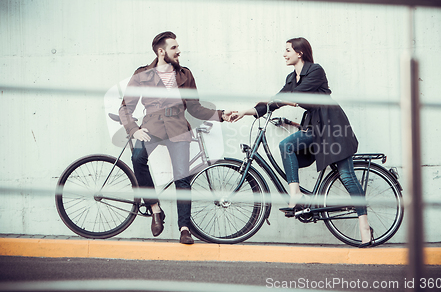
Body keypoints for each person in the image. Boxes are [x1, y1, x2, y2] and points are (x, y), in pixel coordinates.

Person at [231, 37, 374, 247]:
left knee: (347, 176)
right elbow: (277, 100)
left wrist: (277, 100)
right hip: (314, 126)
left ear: (299, 53)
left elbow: (297, 95)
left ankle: (364, 225)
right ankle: (296, 194)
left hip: (332, 126)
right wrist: (246, 111)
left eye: (287, 50)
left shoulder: (315, 70)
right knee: (287, 146)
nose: (284, 53)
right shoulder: (292, 77)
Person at [119, 31, 233, 245]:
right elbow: (125, 107)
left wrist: (222, 115)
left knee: (182, 177)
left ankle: (184, 228)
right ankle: (155, 209)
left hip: (179, 127)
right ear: (161, 51)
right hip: (151, 127)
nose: (178, 51)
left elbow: (196, 108)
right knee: (137, 158)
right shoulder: (142, 74)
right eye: (174, 48)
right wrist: (134, 130)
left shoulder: (185, 75)